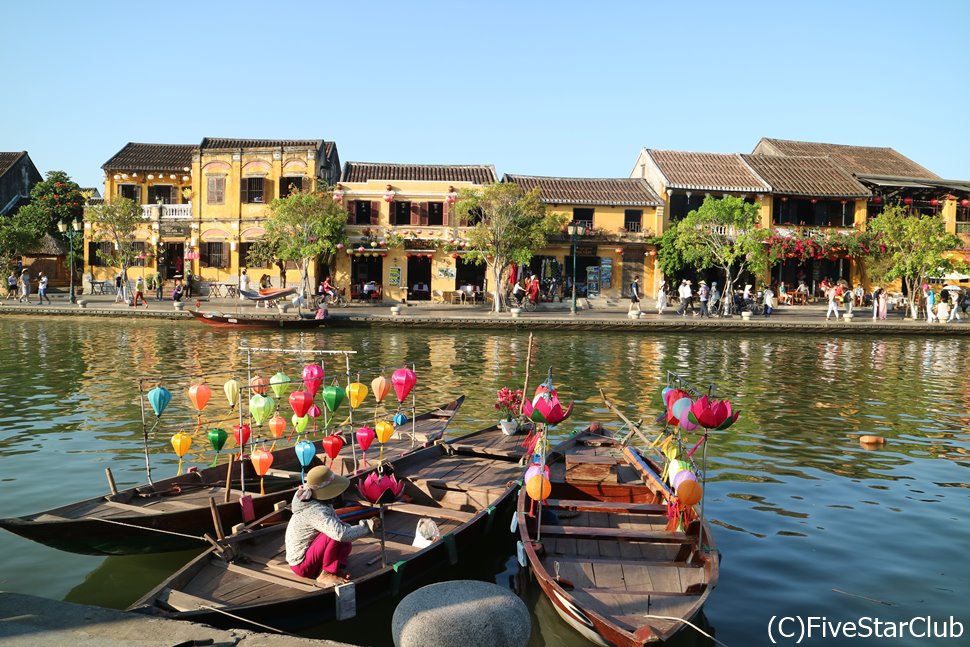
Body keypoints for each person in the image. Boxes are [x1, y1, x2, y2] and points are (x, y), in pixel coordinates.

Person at [285, 464, 379, 583]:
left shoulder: (320, 504)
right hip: (302, 565)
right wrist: (367, 527)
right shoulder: (314, 511)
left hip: (310, 555)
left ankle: (333, 569)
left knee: (345, 542)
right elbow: (340, 534)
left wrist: (358, 529)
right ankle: (326, 573)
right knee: (335, 535)